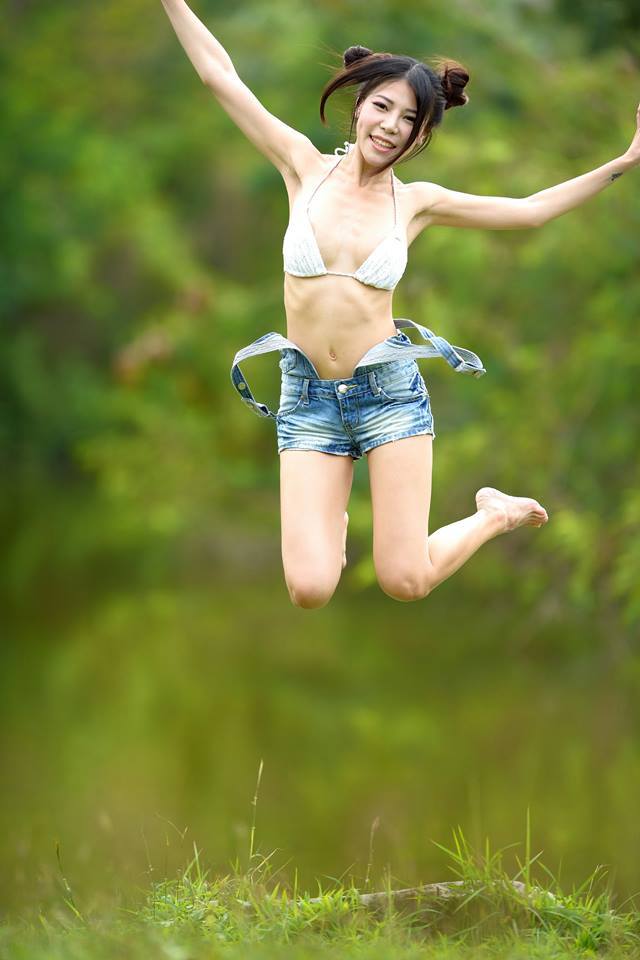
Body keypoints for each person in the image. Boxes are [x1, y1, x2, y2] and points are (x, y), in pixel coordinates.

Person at [161, 2, 640, 609]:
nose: (389, 125)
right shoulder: (301, 168)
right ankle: (328, 519)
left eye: (408, 119)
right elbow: (219, 76)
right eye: (382, 107)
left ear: (420, 135)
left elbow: (531, 210)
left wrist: (626, 162)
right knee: (308, 590)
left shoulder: (417, 203)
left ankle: (493, 515)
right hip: (307, 395)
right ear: (358, 107)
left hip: (387, 392)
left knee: (405, 581)